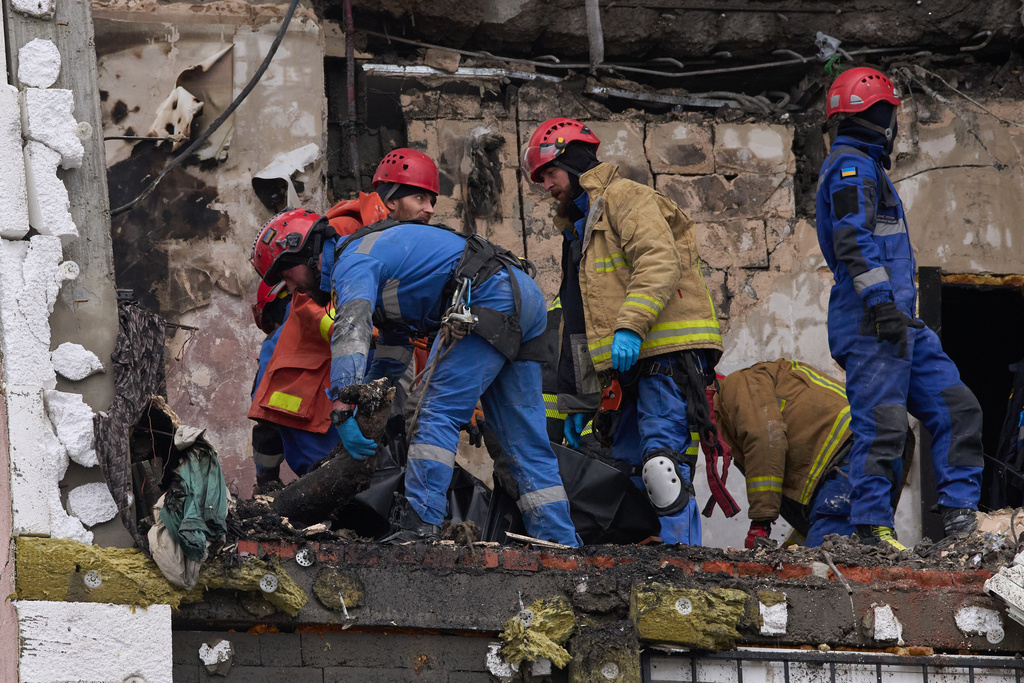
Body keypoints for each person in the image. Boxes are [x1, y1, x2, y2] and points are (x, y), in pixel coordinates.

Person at [249, 204, 580, 546]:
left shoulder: (352, 261)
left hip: (486, 296)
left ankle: (420, 528)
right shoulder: (379, 254)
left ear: (306, 252)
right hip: (521, 294)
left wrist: (344, 408)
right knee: (522, 440)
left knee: (431, 412)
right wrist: (370, 403)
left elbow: (351, 331)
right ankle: (560, 544)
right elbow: (395, 346)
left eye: (287, 275)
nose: (294, 289)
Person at [522, 117, 724, 545]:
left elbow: (658, 260)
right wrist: (580, 401)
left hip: (663, 352)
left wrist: (630, 326)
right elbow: (577, 320)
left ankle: (682, 561)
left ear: (573, 162)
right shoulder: (578, 230)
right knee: (628, 470)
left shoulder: (626, 197)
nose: (546, 186)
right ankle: (644, 561)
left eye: (550, 173)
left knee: (661, 467)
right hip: (624, 368)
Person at [815, 66, 983, 549]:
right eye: (891, 113)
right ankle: (871, 528)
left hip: (900, 321)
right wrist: (881, 304)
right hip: (871, 319)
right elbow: (853, 240)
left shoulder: (867, 167)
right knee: (883, 424)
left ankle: (960, 518)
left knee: (958, 407)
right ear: (880, 116)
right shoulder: (851, 166)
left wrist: (894, 311)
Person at [714, 358, 913, 548]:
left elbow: (766, 440)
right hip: (873, 449)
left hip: (853, 452)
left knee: (826, 562)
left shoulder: (735, 386)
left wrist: (760, 523)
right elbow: (811, 506)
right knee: (833, 555)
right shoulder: (749, 403)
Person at [248, 278, 341, 481]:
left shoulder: (278, 341)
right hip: (381, 462)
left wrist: (266, 480)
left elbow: (267, 420)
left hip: (320, 472)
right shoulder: (352, 324)